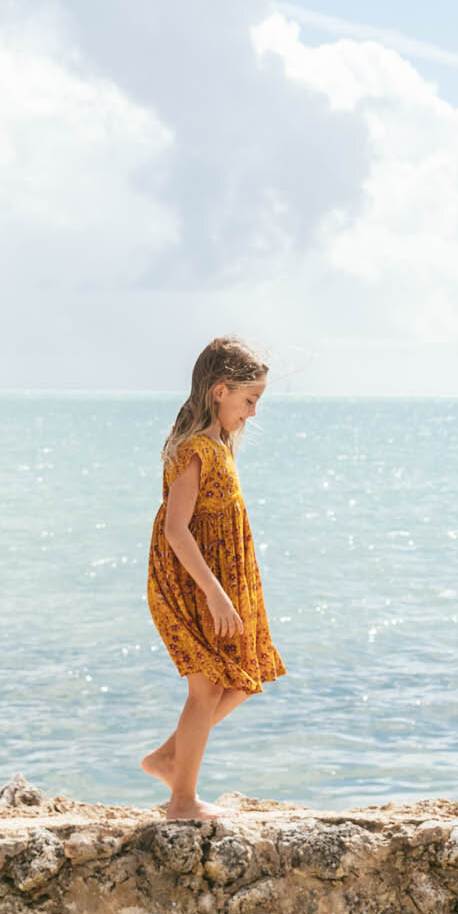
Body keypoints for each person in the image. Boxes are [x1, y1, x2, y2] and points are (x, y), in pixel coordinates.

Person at [141, 337, 286, 820]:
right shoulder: (195, 449)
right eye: (250, 401)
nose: (252, 413)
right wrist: (216, 595)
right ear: (220, 391)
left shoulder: (221, 445)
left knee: (248, 673)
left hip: (221, 581)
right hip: (191, 581)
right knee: (205, 690)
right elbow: (175, 529)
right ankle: (182, 800)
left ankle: (169, 757)